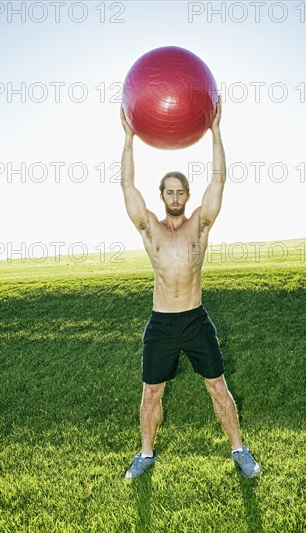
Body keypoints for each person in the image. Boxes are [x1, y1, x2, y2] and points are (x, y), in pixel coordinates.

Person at [120, 98, 260, 479]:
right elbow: (127, 185)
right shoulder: (151, 229)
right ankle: (145, 455)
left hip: (196, 321)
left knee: (217, 385)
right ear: (162, 195)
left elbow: (219, 180)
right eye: (169, 192)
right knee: (151, 393)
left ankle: (239, 450)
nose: (176, 197)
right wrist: (129, 137)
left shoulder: (200, 225)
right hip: (162, 324)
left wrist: (215, 132)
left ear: (187, 194)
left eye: (181, 191)